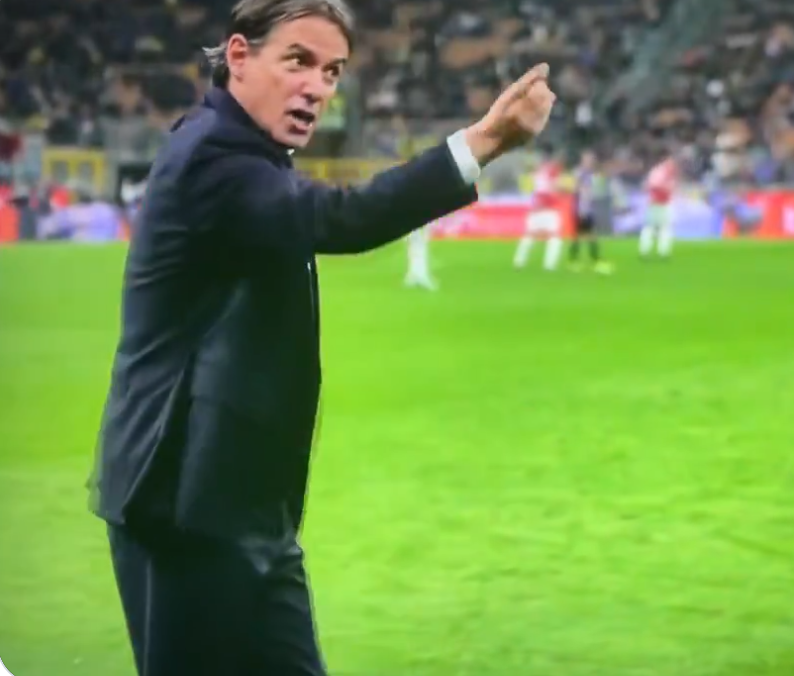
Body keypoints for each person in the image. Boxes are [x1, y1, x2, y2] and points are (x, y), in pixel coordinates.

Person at [86, 0, 556, 673]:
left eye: (332, 71)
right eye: (298, 61)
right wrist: (482, 142)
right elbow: (344, 218)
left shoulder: (252, 155)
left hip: (243, 508)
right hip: (183, 507)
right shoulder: (213, 156)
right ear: (239, 56)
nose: (317, 87)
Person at [513, 149, 564, 270]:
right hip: (549, 209)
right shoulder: (551, 172)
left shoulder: (537, 173)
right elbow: (555, 186)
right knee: (554, 238)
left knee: (530, 236)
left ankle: (519, 261)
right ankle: (549, 265)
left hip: (537, 208)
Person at [568, 149, 613, 273]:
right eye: (587, 159)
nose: (590, 161)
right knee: (584, 236)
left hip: (587, 209)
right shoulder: (580, 173)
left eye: (591, 159)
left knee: (584, 235)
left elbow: (594, 190)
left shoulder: (590, 174)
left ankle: (576, 261)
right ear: (582, 160)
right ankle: (590, 261)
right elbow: (576, 190)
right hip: (581, 209)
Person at [639, 151, 678, 259]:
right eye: (670, 162)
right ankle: (653, 251)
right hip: (657, 204)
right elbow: (652, 186)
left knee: (659, 228)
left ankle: (656, 251)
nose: (672, 164)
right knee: (656, 228)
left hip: (662, 203)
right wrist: (666, 189)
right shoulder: (659, 172)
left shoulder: (665, 173)